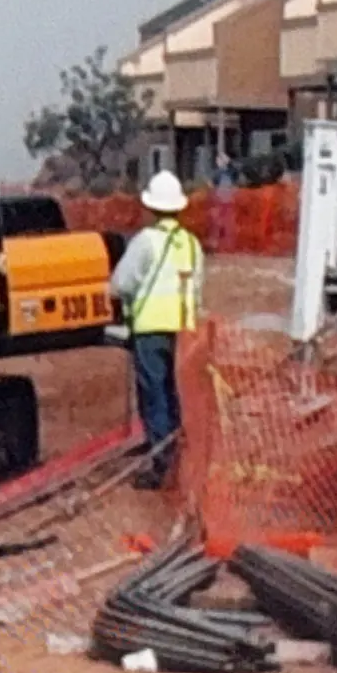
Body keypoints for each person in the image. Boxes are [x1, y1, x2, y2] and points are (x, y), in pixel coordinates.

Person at [109, 171, 202, 463]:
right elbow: (197, 288)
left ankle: (162, 460)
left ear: (151, 208)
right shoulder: (191, 243)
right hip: (184, 331)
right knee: (176, 394)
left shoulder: (146, 241)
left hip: (150, 330)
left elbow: (121, 284)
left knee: (155, 394)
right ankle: (177, 452)